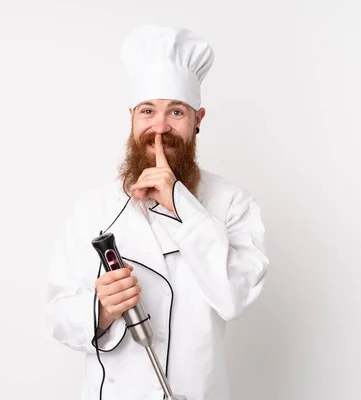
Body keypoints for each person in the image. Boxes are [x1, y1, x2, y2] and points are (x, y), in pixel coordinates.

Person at [46, 25, 269, 400]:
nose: (160, 127)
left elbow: (233, 297)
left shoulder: (232, 203)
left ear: (198, 119)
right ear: (132, 117)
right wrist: (100, 311)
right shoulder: (93, 208)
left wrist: (180, 204)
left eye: (176, 112)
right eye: (148, 110)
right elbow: (58, 317)